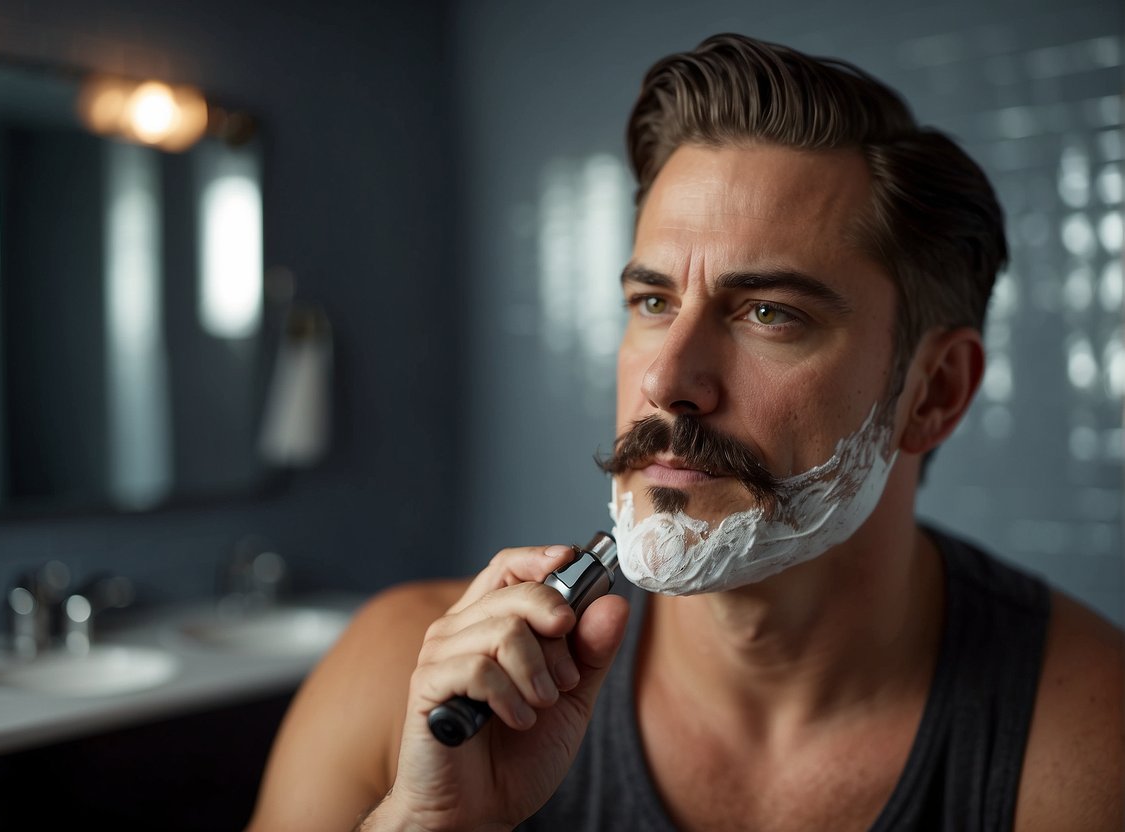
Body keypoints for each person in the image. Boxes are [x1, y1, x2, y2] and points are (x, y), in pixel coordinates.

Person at [244, 33, 1124, 831]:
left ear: (932, 391)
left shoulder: (1088, 733)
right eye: (654, 302)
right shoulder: (402, 680)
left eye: (768, 313)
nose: (667, 380)